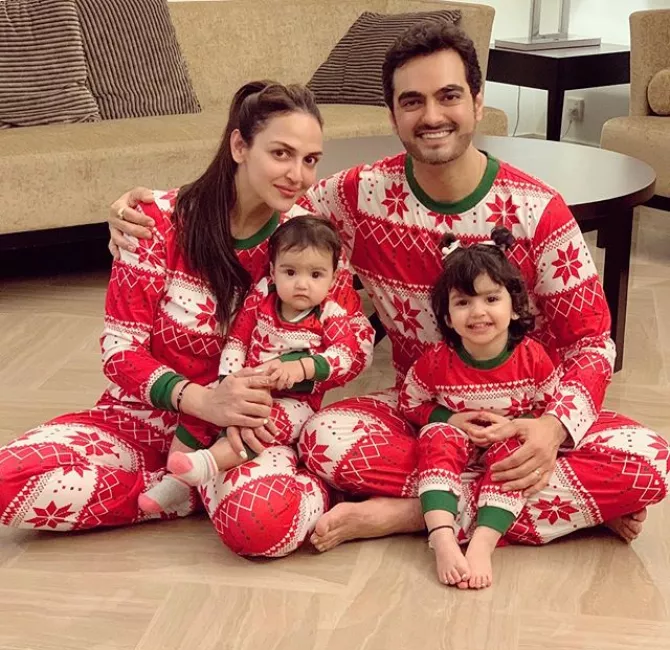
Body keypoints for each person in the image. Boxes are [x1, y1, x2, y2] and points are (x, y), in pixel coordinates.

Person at [106, 23, 667, 555]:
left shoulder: (539, 211)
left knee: (652, 459)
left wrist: (551, 428)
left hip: (526, 417)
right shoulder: (357, 195)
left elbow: (592, 344)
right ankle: (553, 503)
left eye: (449, 96)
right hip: (422, 418)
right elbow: (265, 204)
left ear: (477, 102)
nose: (432, 116)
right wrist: (156, 208)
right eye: (412, 101)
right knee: (323, 437)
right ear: (394, 115)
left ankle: (410, 512)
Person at [0, 80, 374, 558]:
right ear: (239, 146)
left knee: (260, 527)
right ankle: (180, 492)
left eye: (310, 160)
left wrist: (295, 374)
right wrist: (202, 401)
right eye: (281, 153)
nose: (297, 174)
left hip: (246, 435)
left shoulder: (308, 244)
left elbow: (353, 343)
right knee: (8, 482)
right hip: (141, 420)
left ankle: (203, 485)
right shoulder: (155, 221)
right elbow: (119, 353)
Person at [141, 215, 368, 514]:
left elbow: (345, 355)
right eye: (290, 272)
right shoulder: (261, 299)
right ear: (273, 271)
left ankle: (207, 464)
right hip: (248, 383)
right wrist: (228, 380)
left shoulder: (329, 314)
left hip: (294, 402)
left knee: (263, 419)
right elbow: (238, 340)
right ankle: (176, 481)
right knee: (202, 405)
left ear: (333, 277)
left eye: (316, 275)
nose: (302, 284)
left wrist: (302, 368)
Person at [399, 227, 558, 589]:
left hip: (505, 445)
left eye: (491, 298)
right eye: (463, 302)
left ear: (514, 307)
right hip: (453, 446)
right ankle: (442, 536)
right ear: (447, 316)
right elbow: (410, 401)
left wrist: (515, 426)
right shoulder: (436, 361)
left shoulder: (533, 358)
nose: (478, 312)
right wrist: (450, 418)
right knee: (436, 436)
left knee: (516, 452)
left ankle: (483, 542)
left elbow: (548, 407)